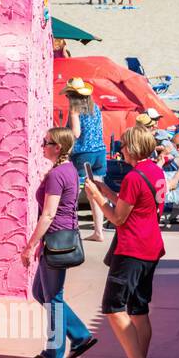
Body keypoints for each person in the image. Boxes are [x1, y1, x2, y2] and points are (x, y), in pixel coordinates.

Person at [84, 125, 166, 358]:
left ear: (133, 147)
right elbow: (134, 203)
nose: (121, 150)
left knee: (113, 308)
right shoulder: (154, 171)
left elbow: (118, 217)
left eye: (124, 145)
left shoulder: (133, 176)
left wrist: (96, 197)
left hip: (132, 248)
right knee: (139, 310)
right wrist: (106, 191)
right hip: (151, 247)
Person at [21, 127, 98, 358]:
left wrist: (30, 245)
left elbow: (49, 214)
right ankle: (79, 336)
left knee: (53, 297)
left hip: (56, 240)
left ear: (58, 147)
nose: (42, 144)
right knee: (41, 293)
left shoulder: (57, 175)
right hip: (58, 239)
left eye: (46, 142)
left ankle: (54, 353)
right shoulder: (68, 170)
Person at [65, 78, 107, 242]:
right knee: (95, 192)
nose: (67, 98)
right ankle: (99, 231)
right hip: (100, 153)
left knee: (72, 191)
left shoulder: (74, 109)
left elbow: (75, 133)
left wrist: (63, 133)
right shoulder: (95, 107)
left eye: (68, 95)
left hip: (83, 154)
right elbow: (100, 129)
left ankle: (69, 228)